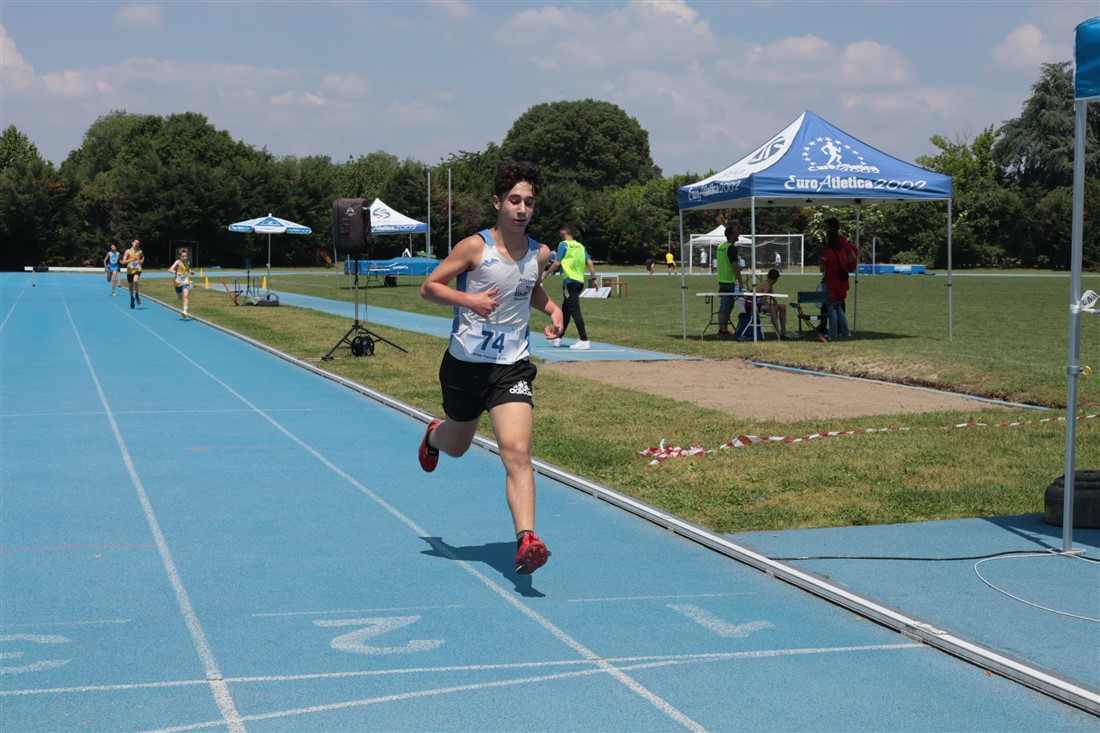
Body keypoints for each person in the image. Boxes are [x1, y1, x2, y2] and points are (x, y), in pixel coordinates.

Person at [417, 161, 564, 576]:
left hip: (511, 367)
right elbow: (429, 288)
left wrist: (552, 309)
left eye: (529, 202)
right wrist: (471, 301)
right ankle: (434, 434)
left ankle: (527, 539)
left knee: (516, 451)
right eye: (515, 200)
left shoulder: (540, 253)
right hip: (464, 366)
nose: (522, 209)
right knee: (458, 445)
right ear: (498, 202)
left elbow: (529, 288)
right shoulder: (473, 248)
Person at [541, 223, 597, 350]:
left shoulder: (563, 244)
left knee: (575, 310)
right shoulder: (581, 246)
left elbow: (557, 262)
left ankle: (584, 340)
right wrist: (594, 279)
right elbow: (590, 262)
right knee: (566, 310)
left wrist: (545, 274)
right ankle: (558, 338)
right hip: (579, 282)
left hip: (570, 282)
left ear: (564, 232)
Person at [821, 230, 854, 340]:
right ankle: (846, 331)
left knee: (831, 307)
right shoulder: (842, 251)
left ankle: (833, 332)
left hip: (831, 281)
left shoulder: (827, 253)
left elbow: (821, 268)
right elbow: (851, 258)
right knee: (839, 307)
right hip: (841, 282)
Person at [714, 224, 745, 340]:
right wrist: (741, 282)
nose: (738, 234)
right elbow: (735, 266)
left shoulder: (721, 246)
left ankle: (723, 330)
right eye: (737, 232)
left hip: (722, 280)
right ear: (731, 235)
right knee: (726, 307)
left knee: (726, 306)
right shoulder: (732, 248)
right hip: (729, 281)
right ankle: (723, 332)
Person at [757, 268, 788, 339]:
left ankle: (784, 332)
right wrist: (773, 308)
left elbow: (774, 298)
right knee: (772, 308)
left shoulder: (769, 285)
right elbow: (764, 300)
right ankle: (778, 334)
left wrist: (776, 306)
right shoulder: (766, 285)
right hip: (754, 305)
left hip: (760, 304)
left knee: (782, 307)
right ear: (776, 279)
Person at [168, 248, 193, 318]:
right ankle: (189, 286)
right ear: (180, 256)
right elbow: (170, 270)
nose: (185, 258)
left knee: (185, 295)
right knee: (180, 298)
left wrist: (191, 272)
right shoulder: (178, 262)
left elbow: (187, 269)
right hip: (178, 283)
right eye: (183, 256)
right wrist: (176, 272)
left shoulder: (187, 262)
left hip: (185, 282)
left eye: (186, 256)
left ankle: (185, 311)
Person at [121, 239, 144, 309]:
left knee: (135, 281)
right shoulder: (128, 251)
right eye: (135, 242)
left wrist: (141, 261)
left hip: (138, 269)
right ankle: (132, 298)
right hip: (130, 270)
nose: (136, 244)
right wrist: (132, 259)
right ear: (132, 243)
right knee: (130, 286)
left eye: (138, 243)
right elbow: (123, 261)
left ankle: (136, 295)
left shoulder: (140, 251)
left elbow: (143, 257)